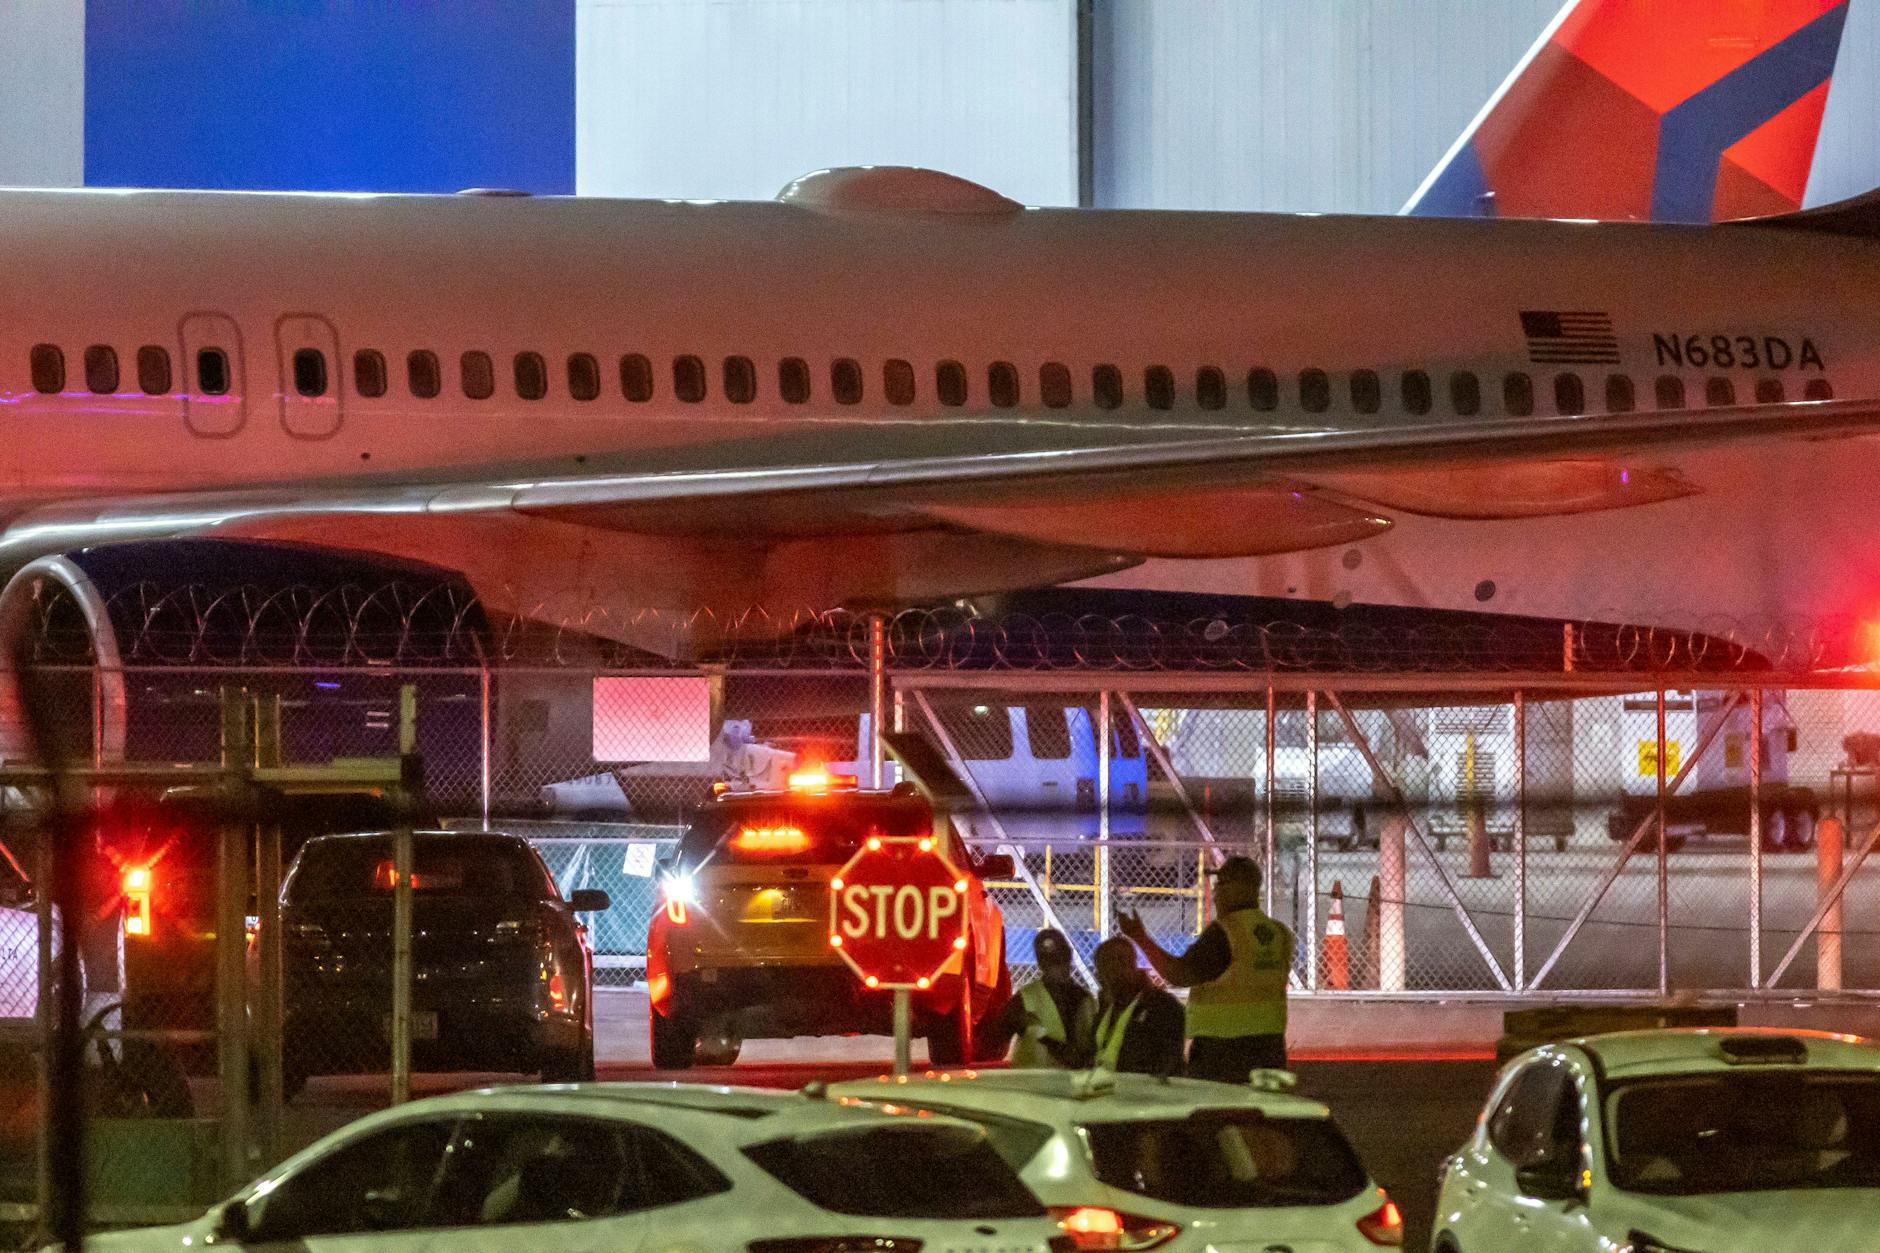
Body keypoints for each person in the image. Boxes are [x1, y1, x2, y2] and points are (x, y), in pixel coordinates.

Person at [1118, 855, 1293, 1083]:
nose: (1217, 894)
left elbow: (1178, 974)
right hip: (1270, 1048)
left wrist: (1140, 938)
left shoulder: (1225, 932)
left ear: (1241, 888)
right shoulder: (1279, 933)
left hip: (1223, 1051)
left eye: (1221, 885)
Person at [1090, 936, 1185, 1076]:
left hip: (1140, 1087)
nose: (1115, 970)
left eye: (1122, 962)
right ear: (1098, 974)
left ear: (1134, 965)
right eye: (1107, 965)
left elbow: (1169, 1062)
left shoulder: (1161, 1006)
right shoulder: (1106, 1008)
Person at [1001, 928, 1094, 1068]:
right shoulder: (1023, 999)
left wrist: (1040, 1034)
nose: (1057, 968)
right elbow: (996, 1040)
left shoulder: (1084, 999)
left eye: (1061, 960)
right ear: (1041, 964)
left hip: (1071, 1080)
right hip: (1031, 1079)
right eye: (1050, 963)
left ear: (1069, 958)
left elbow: (1087, 1053)